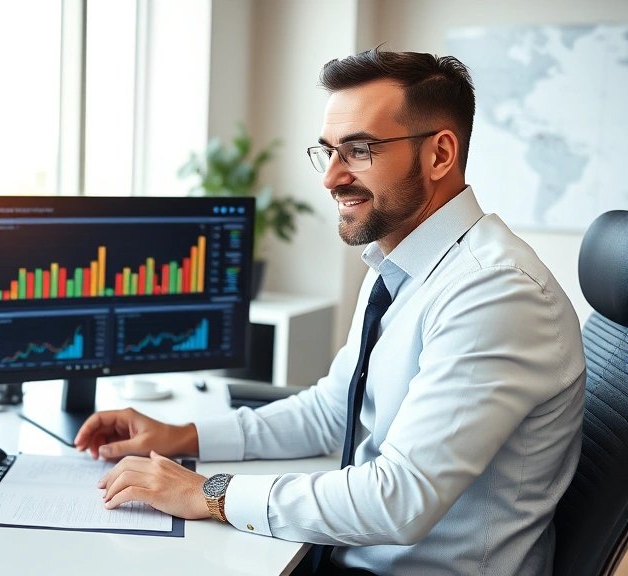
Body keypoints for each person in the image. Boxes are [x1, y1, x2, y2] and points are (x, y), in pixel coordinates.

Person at [74, 47, 586, 575]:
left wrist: (210, 493)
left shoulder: (492, 292)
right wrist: (182, 437)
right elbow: (331, 411)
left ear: (439, 155)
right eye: (329, 152)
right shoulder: (399, 261)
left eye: (359, 150)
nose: (331, 177)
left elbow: (398, 500)